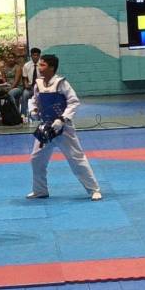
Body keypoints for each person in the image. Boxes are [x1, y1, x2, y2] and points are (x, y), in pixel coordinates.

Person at [27, 54, 102, 201]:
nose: (40, 68)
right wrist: (33, 111)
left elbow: (74, 102)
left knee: (76, 159)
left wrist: (62, 118)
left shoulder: (61, 83)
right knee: (36, 159)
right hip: (46, 127)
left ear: (52, 68)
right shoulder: (38, 84)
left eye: (43, 65)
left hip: (64, 129)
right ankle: (40, 190)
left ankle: (94, 190)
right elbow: (34, 100)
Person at [21, 47, 41, 118]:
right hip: (30, 87)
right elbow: (24, 78)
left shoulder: (42, 65)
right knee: (24, 95)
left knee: (43, 97)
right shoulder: (26, 65)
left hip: (40, 88)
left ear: (39, 56)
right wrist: (26, 85)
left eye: (37, 55)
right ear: (31, 56)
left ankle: (40, 115)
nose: (35, 57)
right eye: (34, 55)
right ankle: (23, 115)